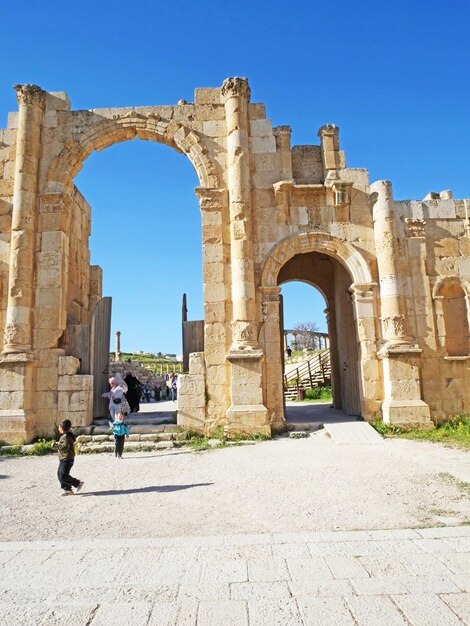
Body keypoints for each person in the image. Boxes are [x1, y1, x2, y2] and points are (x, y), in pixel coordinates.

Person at [52, 419, 84, 496]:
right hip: (64, 459)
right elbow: (65, 446)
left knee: (63, 475)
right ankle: (67, 489)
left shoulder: (66, 436)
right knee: (60, 474)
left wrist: (56, 445)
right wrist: (58, 444)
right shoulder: (66, 435)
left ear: (61, 427)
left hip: (67, 459)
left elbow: (65, 447)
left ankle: (78, 483)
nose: (58, 428)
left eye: (59, 427)